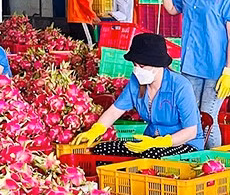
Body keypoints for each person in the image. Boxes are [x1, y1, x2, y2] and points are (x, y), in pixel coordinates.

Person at [153, 0, 230, 148]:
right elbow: (173, 9)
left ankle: (215, 160)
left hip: (216, 69)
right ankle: (193, 156)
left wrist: (229, 71)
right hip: (191, 65)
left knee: (208, 118)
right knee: (190, 117)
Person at [72, 33, 204, 158]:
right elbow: (115, 111)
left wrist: (160, 143)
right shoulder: (136, 82)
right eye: (135, 65)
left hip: (184, 144)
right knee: (102, 149)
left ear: (158, 65)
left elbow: (190, 131)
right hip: (150, 141)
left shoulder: (180, 86)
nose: (137, 70)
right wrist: (96, 130)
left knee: (149, 157)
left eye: (141, 66)